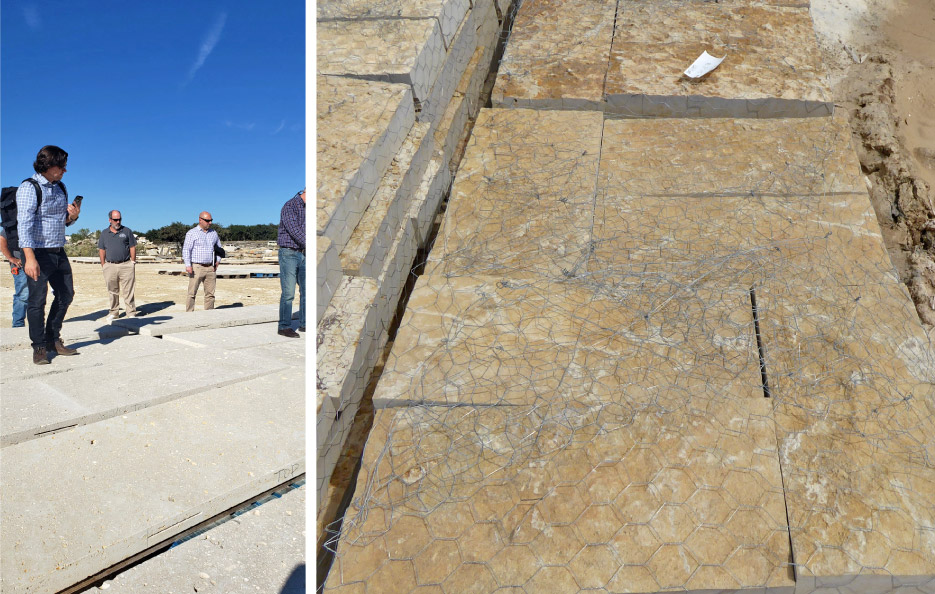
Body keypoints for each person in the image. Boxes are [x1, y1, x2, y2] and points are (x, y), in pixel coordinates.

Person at [17, 145, 81, 364]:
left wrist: (72, 217)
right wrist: (30, 257)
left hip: (58, 251)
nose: (65, 171)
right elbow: (23, 225)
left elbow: (59, 222)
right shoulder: (29, 187)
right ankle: (39, 347)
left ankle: (53, 338)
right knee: (37, 300)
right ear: (48, 165)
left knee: (66, 294)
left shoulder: (61, 187)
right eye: (62, 166)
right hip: (36, 252)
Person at [98, 210, 138, 321]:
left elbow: (132, 247)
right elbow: (101, 249)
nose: (118, 221)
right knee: (112, 291)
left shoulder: (127, 231)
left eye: (120, 219)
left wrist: (132, 262)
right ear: (110, 220)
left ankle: (131, 312)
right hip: (110, 266)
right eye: (115, 219)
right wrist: (103, 265)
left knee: (128, 290)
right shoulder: (104, 233)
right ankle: (114, 312)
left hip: (126, 265)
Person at [277, 189, 305, 338]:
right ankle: (284, 326)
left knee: (307, 291)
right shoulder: (290, 206)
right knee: (288, 292)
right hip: (289, 253)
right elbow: (295, 231)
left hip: (303, 252)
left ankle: (305, 323)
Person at [182, 211, 221, 312]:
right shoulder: (192, 233)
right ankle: (189, 314)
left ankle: (209, 314)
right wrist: (188, 265)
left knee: (210, 294)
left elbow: (219, 248)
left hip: (210, 267)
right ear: (200, 220)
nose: (210, 223)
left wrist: (218, 261)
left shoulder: (214, 233)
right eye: (208, 220)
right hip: (197, 267)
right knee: (192, 293)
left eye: (211, 220)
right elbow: (186, 250)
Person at [0, 227, 28, 327]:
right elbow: (2, 240)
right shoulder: (13, 226)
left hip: (36, 264)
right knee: (23, 295)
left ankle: (35, 325)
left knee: (36, 296)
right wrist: (11, 258)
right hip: (19, 266)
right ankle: (18, 325)